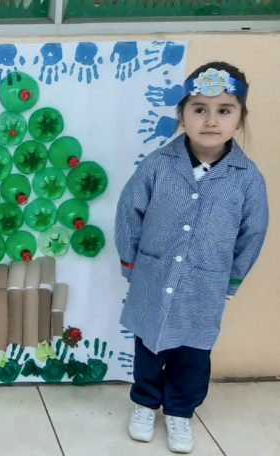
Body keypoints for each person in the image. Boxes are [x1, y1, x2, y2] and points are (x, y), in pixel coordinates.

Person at [115, 61, 269, 454]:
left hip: (206, 285)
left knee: (193, 354)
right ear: (182, 114)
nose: (211, 120)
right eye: (200, 109)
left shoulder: (247, 178)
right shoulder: (157, 165)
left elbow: (253, 232)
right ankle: (145, 403)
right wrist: (130, 262)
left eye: (224, 110)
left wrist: (232, 279)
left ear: (240, 118)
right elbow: (129, 211)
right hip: (154, 275)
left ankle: (180, 410)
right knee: (149, 346)